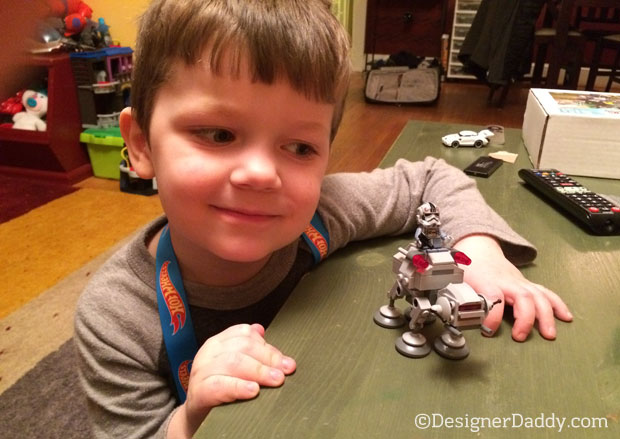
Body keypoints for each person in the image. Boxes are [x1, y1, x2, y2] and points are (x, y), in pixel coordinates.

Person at [74, 1, 573, 438]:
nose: (261, 174)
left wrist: (478, 250)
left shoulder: (324, 213)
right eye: (219, 134)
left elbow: (429, 178)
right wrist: (189, 419)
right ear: (141, 144)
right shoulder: (115, 318)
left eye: (299, 147)